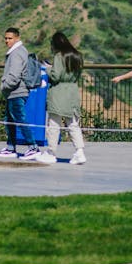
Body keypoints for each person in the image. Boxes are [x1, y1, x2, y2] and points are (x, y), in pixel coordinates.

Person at [36, 31, 86, 165]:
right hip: (72, 91)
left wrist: (47, 69)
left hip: (59, 92)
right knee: (73, 124)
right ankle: (79, 152)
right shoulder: (77, 56)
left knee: (54, 124)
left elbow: (55, 76)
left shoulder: (59, 56)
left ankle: (51, 152)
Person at [0, 27, 40, 160]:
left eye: (10, 38)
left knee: (20, 118)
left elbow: (14, 76)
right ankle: (11, 147)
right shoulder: (19, 51)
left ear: (17, 38)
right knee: (9, 120)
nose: (7, 41)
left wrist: (4, 86)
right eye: (6, 38)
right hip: (15, 92)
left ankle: (33, 147)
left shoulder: (16, 53)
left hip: (16, 91)